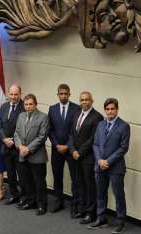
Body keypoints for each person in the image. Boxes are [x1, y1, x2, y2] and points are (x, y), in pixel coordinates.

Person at [88, 98, 130, 234]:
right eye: (107, 109)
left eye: (112, 109)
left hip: (116, 167)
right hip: (99, 166)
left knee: (118, 195)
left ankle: (120, 221)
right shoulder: (100, 125)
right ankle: (101, 219)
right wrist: (100, 160)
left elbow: (123, 148)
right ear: (105, 110)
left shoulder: (124, 126)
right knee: (100, 194)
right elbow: (95, 144)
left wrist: (108, 161)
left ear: (117, 109)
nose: (110, 111)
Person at [68, 91, 103, 224]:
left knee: (90, 186)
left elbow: (92, 139)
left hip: (87, 158)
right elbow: (71, 134)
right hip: (75, 156)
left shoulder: (97, 117)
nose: (84, 102)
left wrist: (79, 152)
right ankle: (82, 209)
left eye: (87, 100)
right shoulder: (76, 113)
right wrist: (72, 150)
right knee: (79, 183)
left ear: (92, 101)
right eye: (82, 100)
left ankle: (91, 213)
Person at [14, 94, 49, 216]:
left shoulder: (43, 117)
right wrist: (20, 146)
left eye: (30, 104)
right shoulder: (21, 116)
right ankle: (30, 201)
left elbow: (42, 137)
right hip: (22, 154)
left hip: (36, 155)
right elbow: (16, 133)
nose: (28, 107)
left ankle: (41, 205)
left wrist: (28, 149)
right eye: (26, 104)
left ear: (35, 104)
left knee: (39, 182)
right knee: (26, 180)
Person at [48, 84, 80, 215]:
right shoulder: (52, 109)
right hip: (56, 150)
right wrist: (56, 145)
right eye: (61, 94)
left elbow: (76, 131)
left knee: (75, 178)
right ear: (58, 95)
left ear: (69, 94)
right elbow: (50, 130)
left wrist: (67, 146)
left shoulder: (76, 109)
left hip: (71, 149)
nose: (63, 96)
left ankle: (75, 205)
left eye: (66, 94)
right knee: (57, 176)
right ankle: (58, 202)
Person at [0, 84, 25, 205]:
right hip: (6, 146)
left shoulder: (25, 107)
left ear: (20, 94)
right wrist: (4, 139)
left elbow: (24, 128)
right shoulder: (4, 106)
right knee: (10, 173)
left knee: (22, 174)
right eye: (11, 94)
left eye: (16, 94)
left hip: (18, 147)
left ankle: (24, 197)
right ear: (8, 94)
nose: (13, 97)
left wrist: (12, 140)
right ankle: (14, 195)